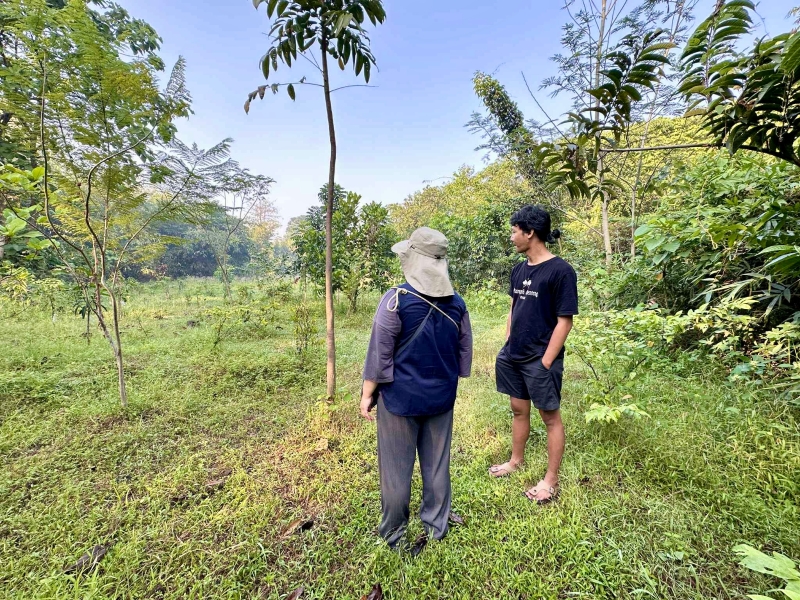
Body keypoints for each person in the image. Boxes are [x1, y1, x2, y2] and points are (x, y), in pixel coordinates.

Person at [360, 227, 473, 553]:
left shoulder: (395, 301)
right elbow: (464, 356)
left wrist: (368, 395)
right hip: (441, 399)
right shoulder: (458, 305)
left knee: (396, 471)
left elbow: (379, 357)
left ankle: (393, 534)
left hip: (399, 401)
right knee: (437, 465)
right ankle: (437, 527)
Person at [488, 205, 578, 504]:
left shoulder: (561, 271)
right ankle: (516, 460)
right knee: (518, 409)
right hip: (513, 354)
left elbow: (565, 320)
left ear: (530, 233)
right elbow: (515, 306)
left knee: (550, 418)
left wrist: (547, 360)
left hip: (540, 358)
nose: (512, 237)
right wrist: (508, 339)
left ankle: (550, 480)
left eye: (515, 231)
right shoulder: (518, 269)